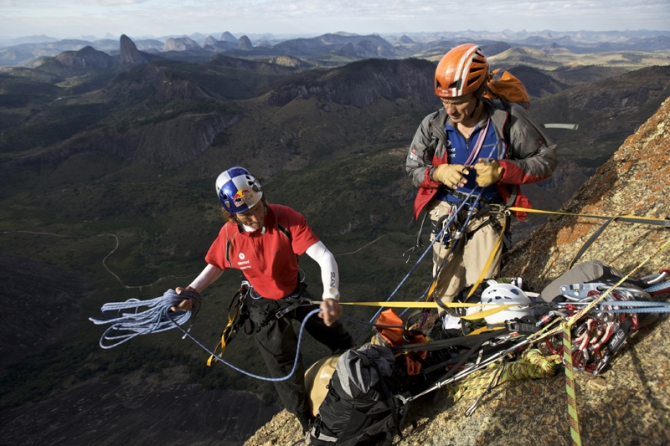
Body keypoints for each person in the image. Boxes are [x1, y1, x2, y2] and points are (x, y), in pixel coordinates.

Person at [174, 166, 353, 432]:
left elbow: (324, 257)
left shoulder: (284, 218)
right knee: (285, 367)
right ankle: (307, 421)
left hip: (295, 294)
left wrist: (331, 296)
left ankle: (358, 366)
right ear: (232, 215)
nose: (257, 216)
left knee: (334, 332)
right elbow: (216, 265)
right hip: (263, 308)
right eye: (247, 213)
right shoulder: (230, 236)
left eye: (259, 206)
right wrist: (192, 290)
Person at [405, 43, 558, 312]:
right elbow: (413, 168)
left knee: (482, 290)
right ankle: (446, 332)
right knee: (444, 289)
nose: (450, 110)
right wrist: (438, 173)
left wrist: (502, 170)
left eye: (458, 101)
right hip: (446, 214)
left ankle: (477, 332)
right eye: (444, 101)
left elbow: (546, 160)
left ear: (479, 93)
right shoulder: (434, 124)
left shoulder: (507, 120)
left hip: (488, 213)